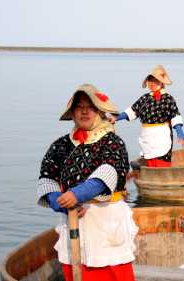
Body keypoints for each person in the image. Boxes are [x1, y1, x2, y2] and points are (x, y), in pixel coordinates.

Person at [37, 84, 138, 281]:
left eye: (90, 106)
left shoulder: (112, 142)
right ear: (72, 112)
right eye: (79, 106)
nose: (84, 111)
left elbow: (108, 172)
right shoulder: (61, 145)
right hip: (73, 219)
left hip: (106, 220)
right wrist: (61, 203)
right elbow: (47, 178)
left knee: (112, 272)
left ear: (99, 111)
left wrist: (78, 194)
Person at [110, 65, 184, 167]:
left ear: (161, 83)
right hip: (147, 136)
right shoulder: (144, 98)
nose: (152, 83)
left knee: (161, 161)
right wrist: (116, 118)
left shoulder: (168, 99)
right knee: (149, 160)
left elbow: (174, 116)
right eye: (150, 80)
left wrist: (180, 133)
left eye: (155, 81)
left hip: (162, 136)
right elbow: (132, 111)